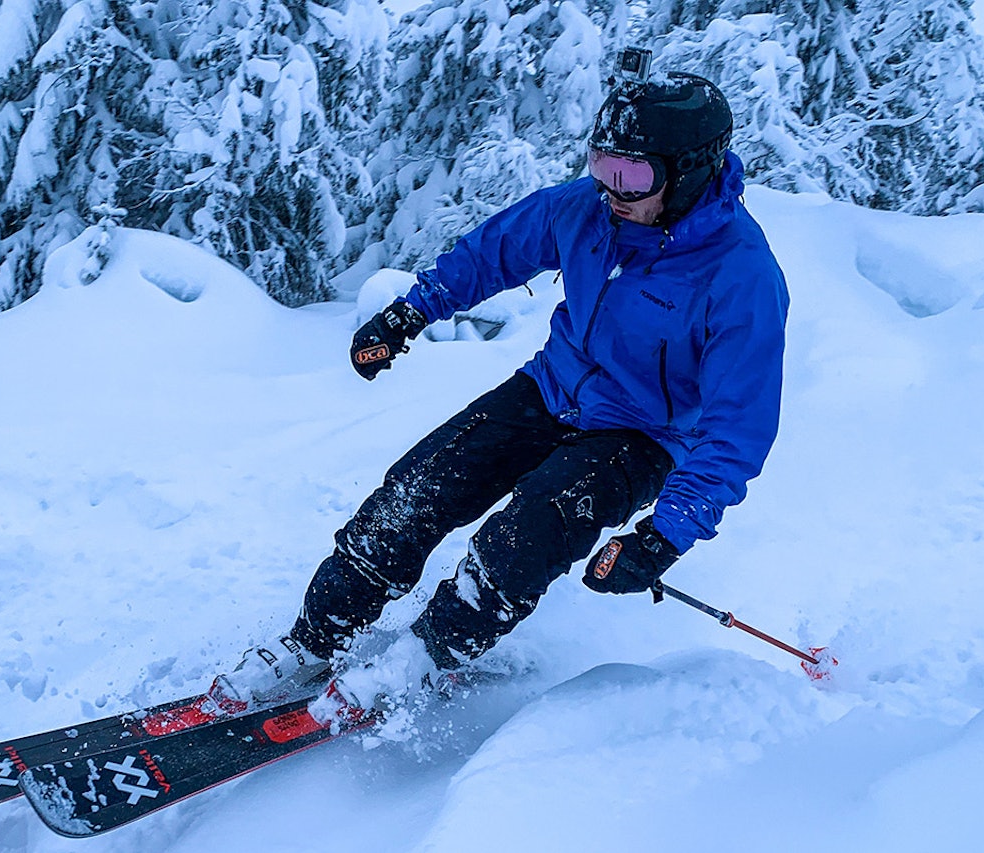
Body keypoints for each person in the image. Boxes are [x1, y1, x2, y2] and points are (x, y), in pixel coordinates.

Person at [213, 69, 789, 717]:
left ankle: (423, 657)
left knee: (531, 523)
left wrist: (665, 534)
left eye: (632, 177)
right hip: (551, 389)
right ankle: (313, 639)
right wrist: (411, 314)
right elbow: (492, 253)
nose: (609, 188)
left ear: (688, 172)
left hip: (642, 436)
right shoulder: (586, 211)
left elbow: (737, 429)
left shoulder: (740, 276)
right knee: (418, 487)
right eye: (601, 164)